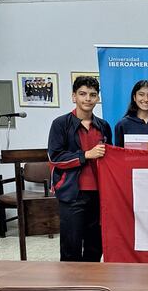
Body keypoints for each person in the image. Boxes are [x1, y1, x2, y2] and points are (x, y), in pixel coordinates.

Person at [48, 75, 112, 262]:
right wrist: (86, 155)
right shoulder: (60, 124)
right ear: (73, 96)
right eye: (82, 94)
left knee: (95, 246)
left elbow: (110, 158)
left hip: (99, 194)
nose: (88, 99)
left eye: (92, 95)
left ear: (97, 98)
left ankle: (92, 287)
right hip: (72, 194)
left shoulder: (103, 126)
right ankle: (69, 289)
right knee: (71, 246)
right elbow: (55, 157)